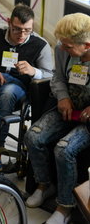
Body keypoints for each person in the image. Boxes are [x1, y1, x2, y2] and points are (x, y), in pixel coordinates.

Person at [24, 13, 90, 224]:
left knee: (64, 149)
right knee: (33, 137)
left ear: (87, 45)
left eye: (68, 46)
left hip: (88, 120)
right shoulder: (63, 49)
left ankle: (65, 206)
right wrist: (62, 97)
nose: (62, 49)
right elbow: (58, 77)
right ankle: (44, 185)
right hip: (66, 108)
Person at [0, 3, 53, 149]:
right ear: (8, 22)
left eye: (27, 30)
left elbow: (50, 75)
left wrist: (34, 71)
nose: (22, 35)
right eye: (17, 29)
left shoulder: (41, 45)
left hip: (19, 86)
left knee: (7, 92)